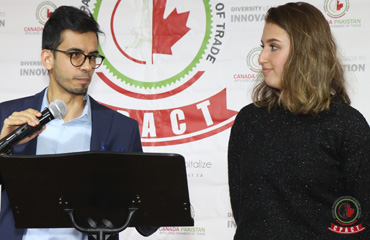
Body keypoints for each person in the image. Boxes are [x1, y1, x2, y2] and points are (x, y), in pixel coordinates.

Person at [0, 6, 156, 240]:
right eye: (75, 55)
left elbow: (148, 223)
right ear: (47, 58)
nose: (86, 66)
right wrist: (3, 147)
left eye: (92, 56)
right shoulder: (8, 117)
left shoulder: (122, 129)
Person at [228, 2, 370, 239]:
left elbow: (364, 218)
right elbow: (243, 211)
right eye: (262, 46)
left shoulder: (346, 124)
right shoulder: (248, 120)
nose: (261, 57)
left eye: (274, 47)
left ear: (306, 51)